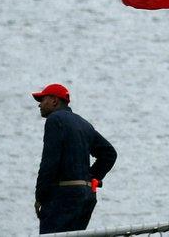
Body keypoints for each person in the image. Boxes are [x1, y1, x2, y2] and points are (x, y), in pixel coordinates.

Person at [32, 83, 117, 234]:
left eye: (42, 100)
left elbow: (49, 162)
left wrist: (40, 197)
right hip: (86, 197)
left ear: (54, 100)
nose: (39, 105)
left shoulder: (55, 120)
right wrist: (89, 179)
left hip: (62, 198)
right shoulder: (84, 124)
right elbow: (109, 154)